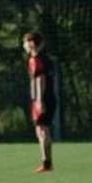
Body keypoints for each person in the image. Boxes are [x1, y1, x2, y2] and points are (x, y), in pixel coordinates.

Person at [22, 32, 55, 173]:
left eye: (25, 42)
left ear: (31, 43)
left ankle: (47, 164)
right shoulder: (46, 59)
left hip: (42, 99)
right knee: (42, 129)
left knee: (42, 130)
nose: (24, 46)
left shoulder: (35, 59)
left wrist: (39, 101)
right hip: (49, 97)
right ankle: (47, 163)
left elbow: (40, 79)